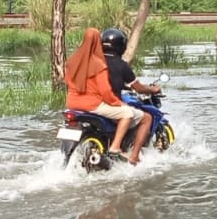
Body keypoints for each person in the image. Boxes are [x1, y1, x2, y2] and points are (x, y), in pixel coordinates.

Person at [64, 27, 139, 163]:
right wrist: (118, 103)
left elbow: (68, 82)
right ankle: (115, 147)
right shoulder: (98, 64)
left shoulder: (72, 61)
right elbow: (105, 92)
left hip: (71, 104)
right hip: (91, 105)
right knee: (127, 113)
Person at [100, 27, 160, 165]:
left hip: (91, 103)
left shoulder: (95, 62)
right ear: (121, 46)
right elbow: (138, 88)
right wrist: (153, 89)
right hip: (108, 105)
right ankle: (134, 156)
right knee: (146, 118)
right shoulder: (122, 66)